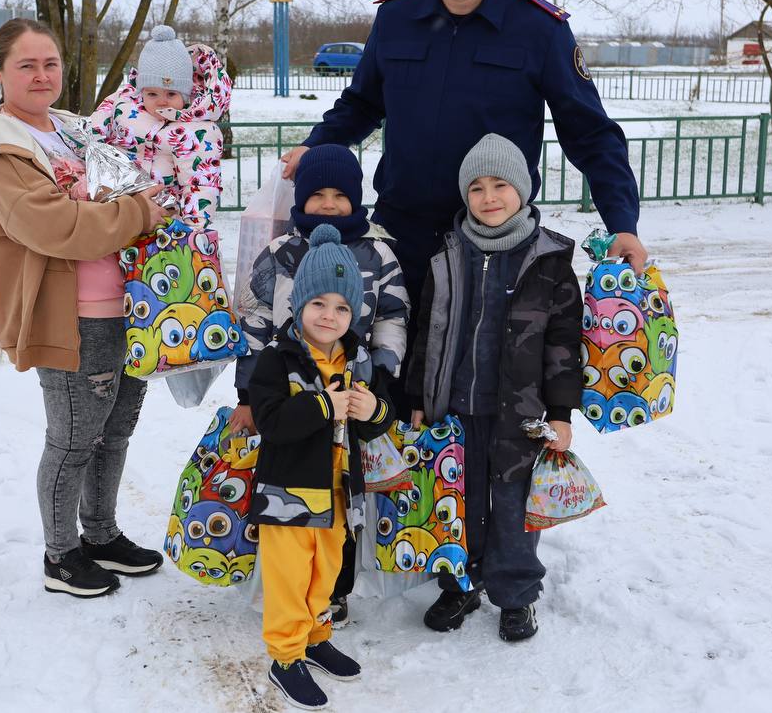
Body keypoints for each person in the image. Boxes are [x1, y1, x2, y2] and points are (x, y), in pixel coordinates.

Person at [280, 0, 645, 386]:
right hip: (400, 240)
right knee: (387, 387)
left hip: (493, 247)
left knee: (480, 397)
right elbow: (362, 103)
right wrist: (316, 144)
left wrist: (621, 220)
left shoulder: (539, 29)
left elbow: (592, 134)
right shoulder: (397, 19)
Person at [0, 18, 169, 600]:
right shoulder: (1, 144)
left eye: (50, 63)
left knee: (116, 431)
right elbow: (50, 226)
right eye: (26, 65)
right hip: (69, 313)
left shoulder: (75, 129)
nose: (41, 74)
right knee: (75, 435)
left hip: (129, 305)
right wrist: (137, 216)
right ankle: (61, 555)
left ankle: (101, 535)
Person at [405, 133, 582, 641]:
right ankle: (461, 582)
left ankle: (515, 594)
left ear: (523, 191)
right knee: (457, 503)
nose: (488, 198)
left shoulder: (549, 260)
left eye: (500, 185)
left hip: (521, 414)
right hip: (454, 409)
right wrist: (419, 399)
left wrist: (561, 413)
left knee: (514, 507)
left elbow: (563, 343)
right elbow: (427, 331)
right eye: (477, 187)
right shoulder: (448, 254)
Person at [229, 144, 409, 626]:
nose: (328, 203)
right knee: (287, 484)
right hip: (288, 394)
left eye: (339, 195)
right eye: (317, 195)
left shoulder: (378, 252)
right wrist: (248, 395)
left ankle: (336, 587)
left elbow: (393, 314)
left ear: (355, 198)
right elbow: (254, 322)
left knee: (345, 493)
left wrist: (382, 373)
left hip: (354, 391)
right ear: (301, 198)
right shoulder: (280, 252)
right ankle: (286, 586)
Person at [247, 224, 399, 710]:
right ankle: (285, 656)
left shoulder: (356, 359)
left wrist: (370, 410)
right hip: (288, 494)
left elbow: (378, 423)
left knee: (326, 571)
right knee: (289, 576)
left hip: (338, 492)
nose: (329, 316)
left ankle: (315, 636)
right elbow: (271, 422)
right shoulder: (277, 359)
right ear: (300, 306)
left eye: (342, 307)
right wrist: (322, 407)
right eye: (319, 304)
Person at [89, 24, 230, 226]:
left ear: (186, 95)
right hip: (119, 209)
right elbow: (94, 130)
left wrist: (192, 228)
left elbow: (200, 183)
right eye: (152, 94)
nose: (161, 101)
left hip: (167, 220)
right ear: (141, 91)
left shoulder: (196, 130)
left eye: (171, 94)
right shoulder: (123, 104)